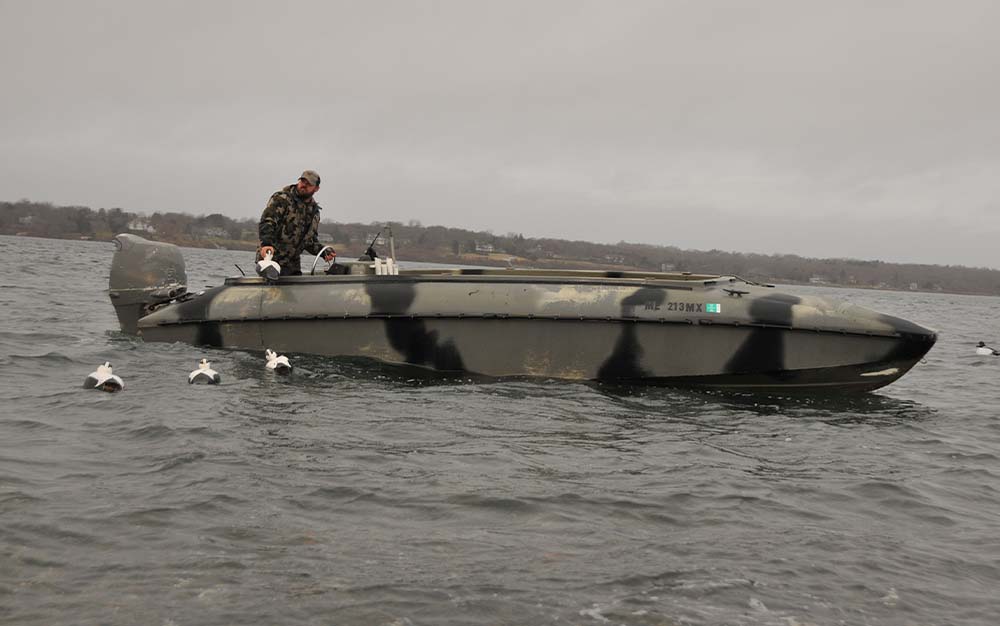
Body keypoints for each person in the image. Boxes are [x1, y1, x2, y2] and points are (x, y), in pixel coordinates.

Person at [256, 169, 336, 276]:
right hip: (271, 260)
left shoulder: (314, 211)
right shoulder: (281, 199)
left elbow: (309, 241)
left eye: (309, 184)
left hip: (293, 265)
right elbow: (267, 222)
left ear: (316, 188)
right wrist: (266, 244)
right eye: (302, 181)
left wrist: (323, 252)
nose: (304, 185)